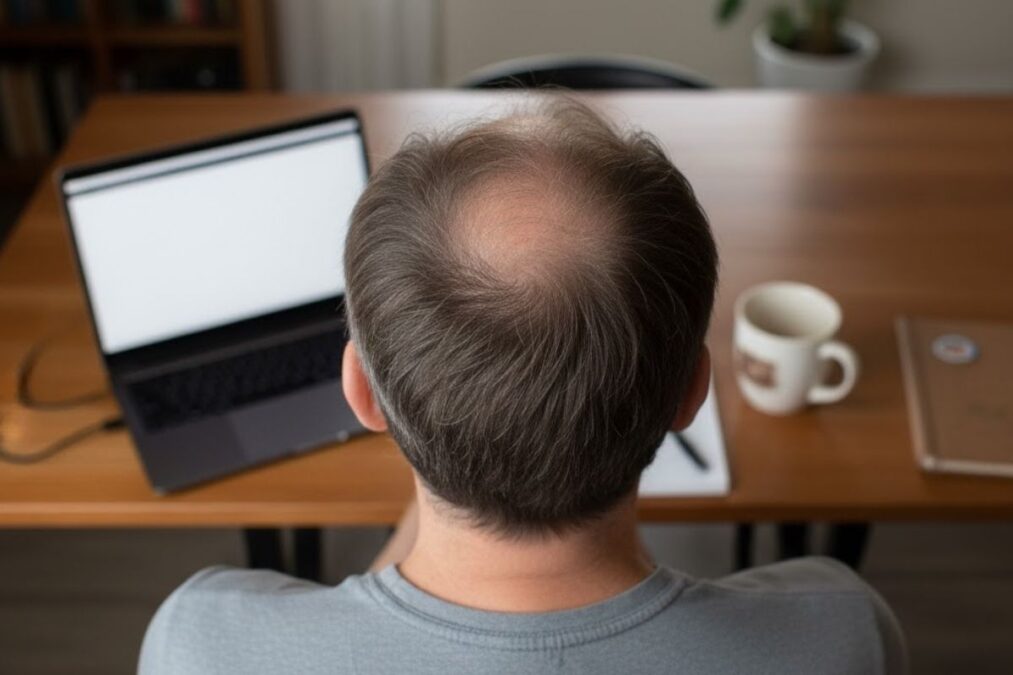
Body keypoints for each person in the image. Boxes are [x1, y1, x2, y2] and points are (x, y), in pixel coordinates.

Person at [139, 99, 906, 674]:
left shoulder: (201, 645)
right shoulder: (839, 632)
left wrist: (442, 421)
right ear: (690, 393)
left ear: (361, 392)